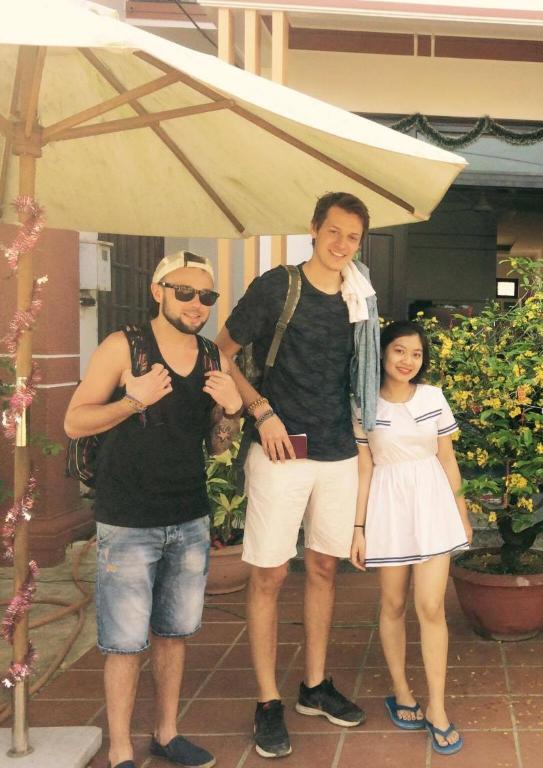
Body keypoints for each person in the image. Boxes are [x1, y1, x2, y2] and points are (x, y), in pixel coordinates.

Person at [214, 192, 380, 758]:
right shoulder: (276, 287)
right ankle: (267, 700)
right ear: (314, 229)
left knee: (324, 570)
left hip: (337, 450)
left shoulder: (360, 299)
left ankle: (314, 685)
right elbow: (223, 353)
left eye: (352, 237)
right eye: (333, 232)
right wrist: (261, 412)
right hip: (280, 450)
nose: (341, 245)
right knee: (267, 575)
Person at [65, 251, 243, 768]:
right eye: (183, 292)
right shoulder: (124, 346)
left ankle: (167, 732)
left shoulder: (212, 356)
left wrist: (230, 409)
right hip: (127, 518)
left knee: (174, 632)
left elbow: (217, 447)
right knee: (123, 641)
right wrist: (132, 401)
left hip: (188, 514)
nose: (195, 304)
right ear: (158, 291)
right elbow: (75, 422)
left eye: (205, 296)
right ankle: (121, 748)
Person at [350, 320, 472, 756]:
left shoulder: (433, 397)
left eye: (416, 354)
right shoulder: (362, 403)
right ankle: (402, 691)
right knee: (393, 604)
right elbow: (364, 468)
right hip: (387, 505)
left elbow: (448, 459)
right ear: (383, 354)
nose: (407, 361)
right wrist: (359, 528)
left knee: (432, 605)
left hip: (433, 504)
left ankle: (437, 707)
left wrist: (462, 511)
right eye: (399, 351)